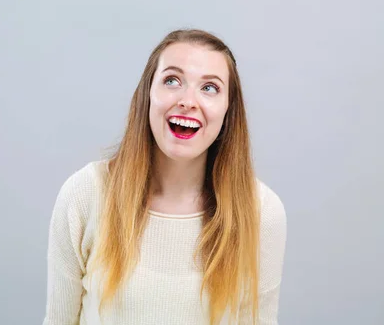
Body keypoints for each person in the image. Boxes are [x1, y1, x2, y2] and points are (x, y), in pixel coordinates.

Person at [42, 29, 287, 325]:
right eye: (172, 80)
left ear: (228, 112)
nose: (188, 100)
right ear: (147, 94)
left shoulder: (262, 212)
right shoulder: (85, 195)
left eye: (209, 88)